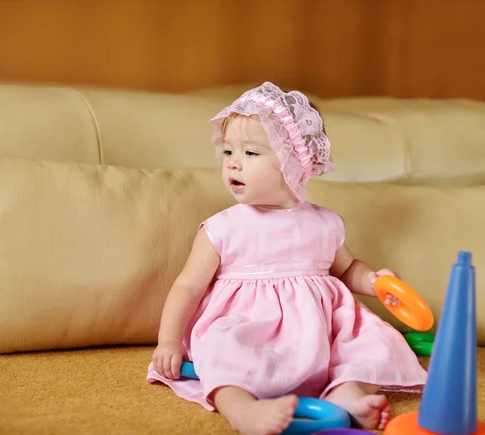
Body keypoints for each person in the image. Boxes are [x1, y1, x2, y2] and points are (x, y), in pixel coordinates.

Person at [147, 82, 427, 435]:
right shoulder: (221, 228)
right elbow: (188, 286)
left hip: (320, 329)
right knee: (225, 353)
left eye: (250, 154)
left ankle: (347, 395)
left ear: (294, 162)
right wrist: (169, 339)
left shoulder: (324, 223)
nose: (232, 163)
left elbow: (347, 269)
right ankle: (242, 410)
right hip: (248, 326)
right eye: (228, 151)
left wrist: (374, 281)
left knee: (370, 343)